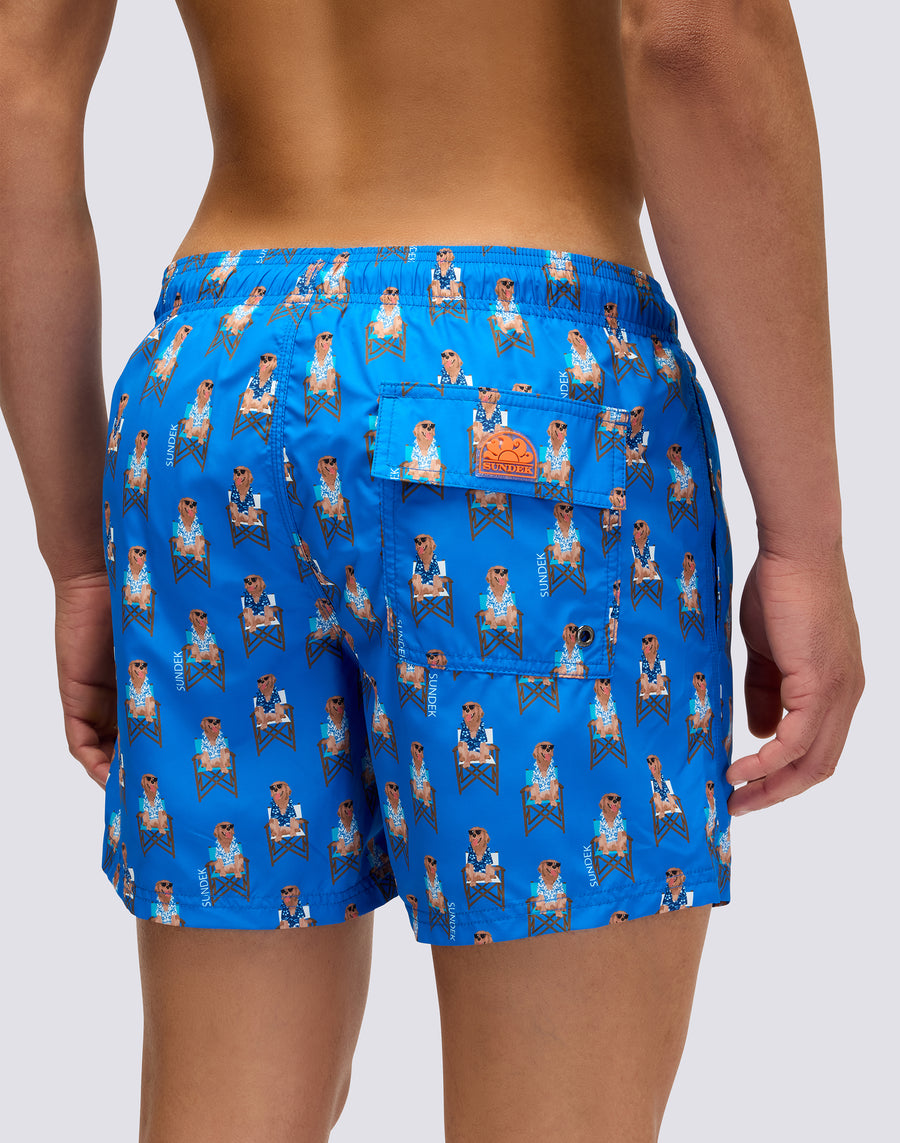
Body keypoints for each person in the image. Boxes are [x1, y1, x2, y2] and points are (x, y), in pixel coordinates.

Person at [0, 5, 865, 1143]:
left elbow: (15, 91)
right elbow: (693, 28)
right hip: (519, 397)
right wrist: (805, 538)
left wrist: (77, 559)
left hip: (213, 398)